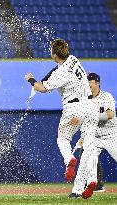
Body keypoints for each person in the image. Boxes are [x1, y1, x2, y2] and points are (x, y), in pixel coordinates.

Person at [24, 39, 99, 185]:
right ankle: (92, 179)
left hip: (75, 109)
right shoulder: (73, 59)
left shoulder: (60, 74)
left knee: (63, 139)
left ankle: (69, 159)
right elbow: (57, 68)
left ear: (54, 55)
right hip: (91, 106)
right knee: (89, 145)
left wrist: (31, 79)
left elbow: (42, 89)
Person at [70, 72, 117, 198]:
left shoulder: (106, 97)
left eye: (90, 82)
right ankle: (77, 191)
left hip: (111, 135)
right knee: (85, 161)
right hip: (94, 137)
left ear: (97, 83)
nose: (87, 84)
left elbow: (110, 115)